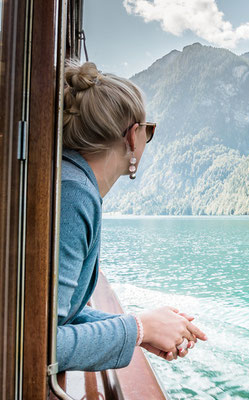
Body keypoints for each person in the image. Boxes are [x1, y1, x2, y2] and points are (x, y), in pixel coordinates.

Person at [57, 60, 206, 372]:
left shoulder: (70, 180)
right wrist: (140, 328)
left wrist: (143, 330)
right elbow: (39, 345)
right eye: (148, 131)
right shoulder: (74, 195)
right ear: (132, 136)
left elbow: (58, 317)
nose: (146, 140)